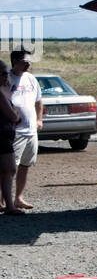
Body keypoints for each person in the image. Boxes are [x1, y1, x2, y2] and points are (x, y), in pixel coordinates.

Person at [8, 48, 42, 211]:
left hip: (31, 131)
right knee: (9, 167)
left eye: (29, 61)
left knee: (25, 165)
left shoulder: (31, 79)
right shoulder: (6, 78)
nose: (28, 64)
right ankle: (4, 199)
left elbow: (39, 101)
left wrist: (39, 119)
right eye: (24, 61)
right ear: (15, 62)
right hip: (15, 131)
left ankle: (18, 198)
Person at [0, 59, 23, 215]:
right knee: (9, 170)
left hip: (4, 134)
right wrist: (17, 113)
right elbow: (13, 115)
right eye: (2, 73)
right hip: (2, 136)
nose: (5, 76)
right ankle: (9, 205)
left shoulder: (3, 90)